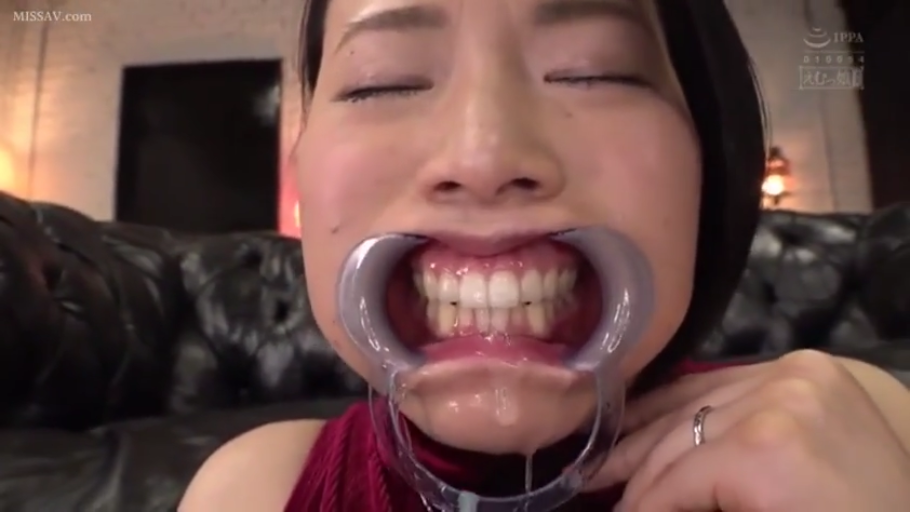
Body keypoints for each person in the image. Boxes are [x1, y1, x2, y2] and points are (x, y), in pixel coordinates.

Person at [180, 0, 910, 510]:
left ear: (710, 159)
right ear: (303, 175)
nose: (485, 156)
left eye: (593, 70)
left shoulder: (866, 432)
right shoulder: (254, 492)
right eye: (383, 81)